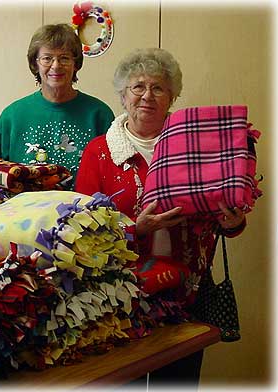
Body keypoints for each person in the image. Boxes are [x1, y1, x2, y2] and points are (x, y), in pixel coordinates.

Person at [75, 48, 246, 387]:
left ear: (172, 97)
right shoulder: (100, 151)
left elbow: (226, 217)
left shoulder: (198, 145)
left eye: (158, 88)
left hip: (189, 291)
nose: (147, 96)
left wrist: (232, 221)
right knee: (126, 381)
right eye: (138, 87)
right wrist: (135, 229)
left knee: (179, 381)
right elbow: (83, 227)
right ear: (123, 96)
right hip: (123, 295)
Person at [0, 23, 114, 188]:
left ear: (76, 64)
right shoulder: (12, 117)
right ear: (35, 64)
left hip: (86, 211)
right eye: (47, 58)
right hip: (24, 212)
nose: (56, 65)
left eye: (64, 58)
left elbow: (112, 177)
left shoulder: (100, 115)